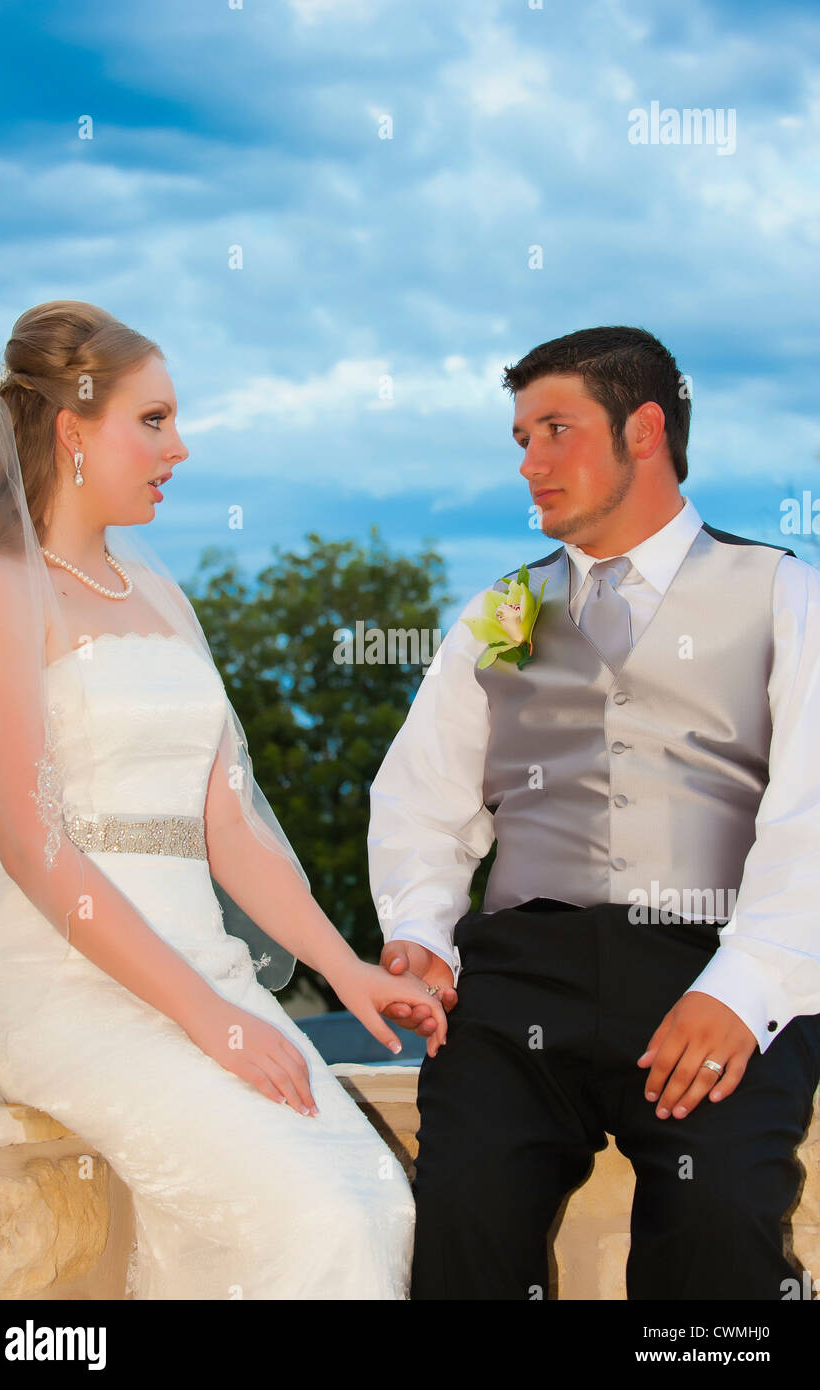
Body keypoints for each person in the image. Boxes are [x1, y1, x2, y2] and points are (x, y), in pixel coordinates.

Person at [0, 299, 446, 1300]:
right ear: (71, 429)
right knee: (313, 1215)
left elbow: (228, 824)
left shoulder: (162, 593)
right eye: (153, 419)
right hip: (59, 979)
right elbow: (34, 845)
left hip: (202, 968)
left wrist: (342, 968)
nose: (179, 446)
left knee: (380, 1205)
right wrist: (208, 1023)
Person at [368, 325, 820, 1300]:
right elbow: (421, 800)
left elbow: (810, 812)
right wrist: (419, 930)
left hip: (709, 958)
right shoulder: (501, 612)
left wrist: (739, 990)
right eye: (520, 438)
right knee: (459, 1224)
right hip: (517, 979)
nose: (528, 463)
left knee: (720, 1231)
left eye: (554, 431)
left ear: (643, 429)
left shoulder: (784, 594)